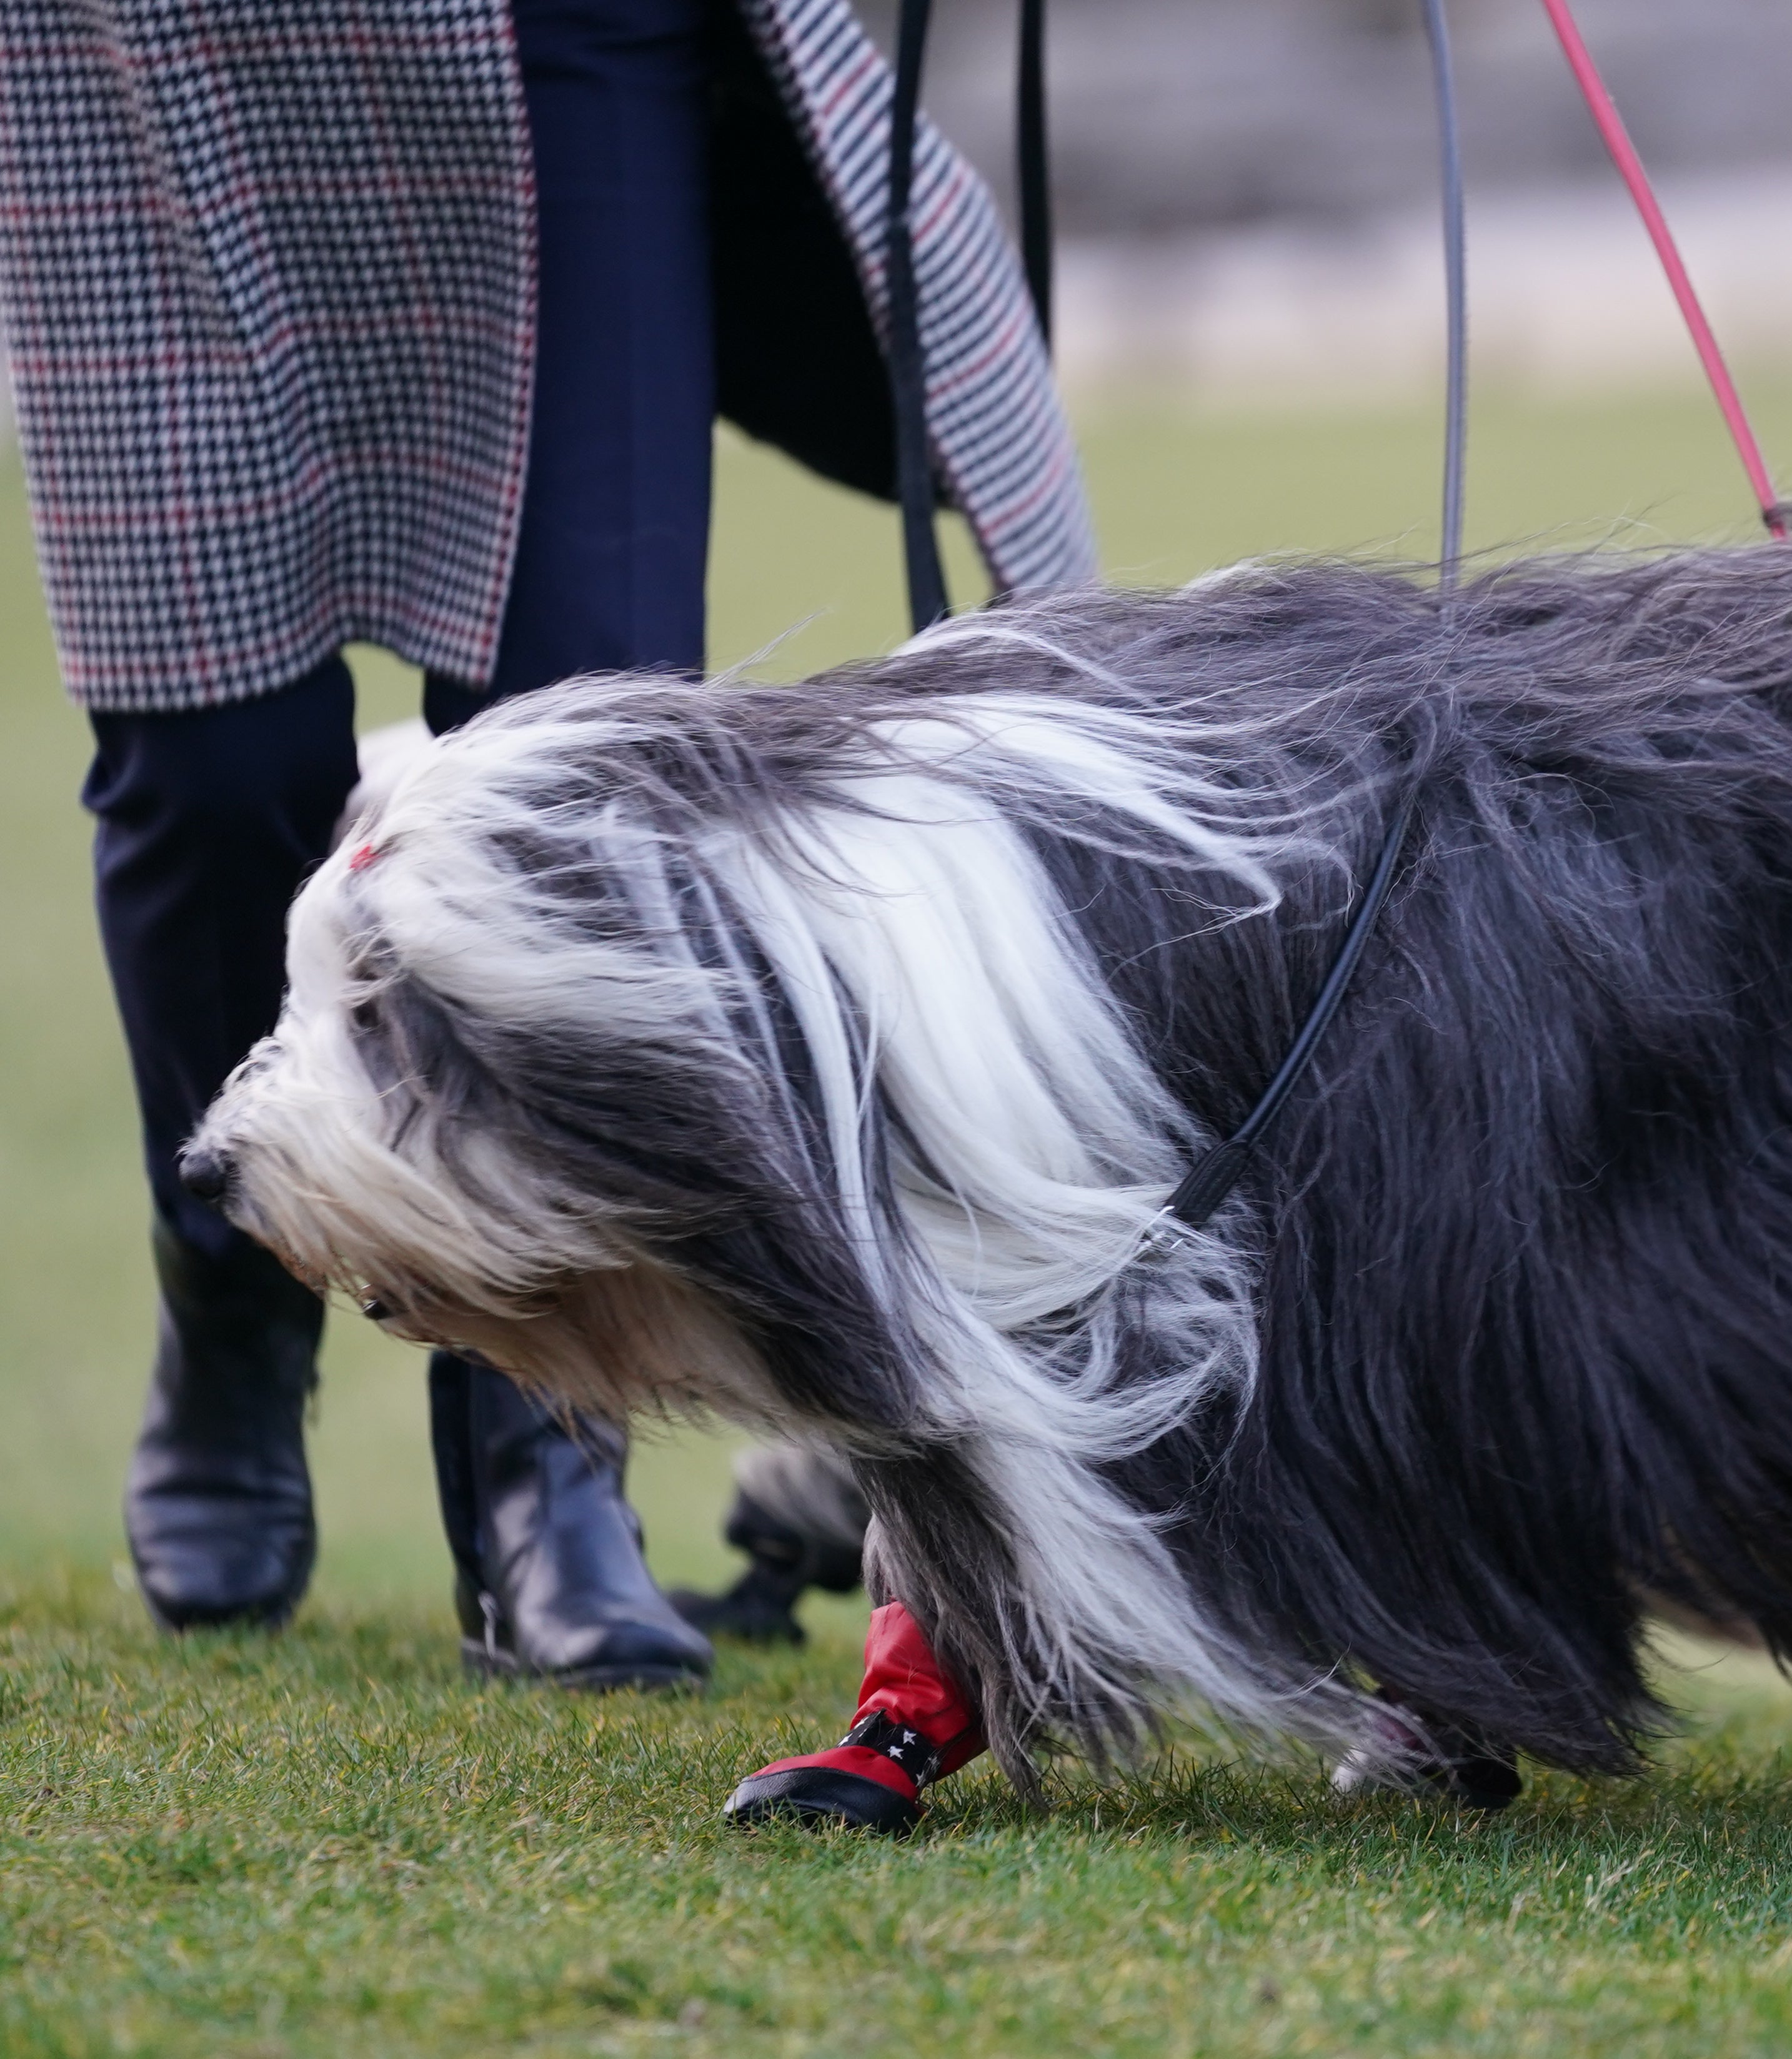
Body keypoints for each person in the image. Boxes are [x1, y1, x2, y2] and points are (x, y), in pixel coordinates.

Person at [0, 0, 1088, 1678]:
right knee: (215, 768)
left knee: (582, 757)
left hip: (559, 44)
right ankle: (233, 1303)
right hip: (156, 61)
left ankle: (543, 1461)